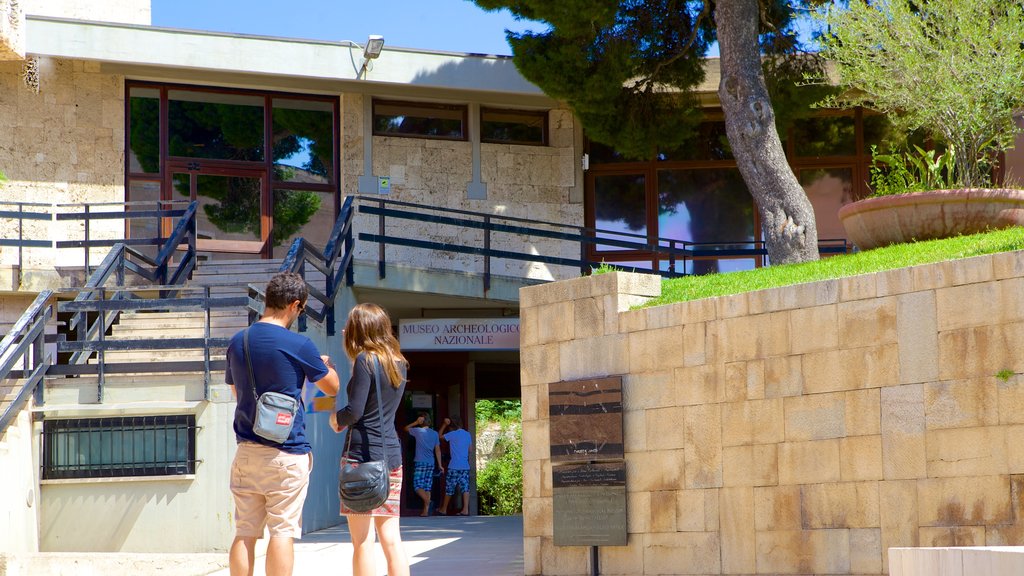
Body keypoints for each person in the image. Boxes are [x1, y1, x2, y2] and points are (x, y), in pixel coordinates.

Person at [225, 272, 340, 576]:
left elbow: (237, 393)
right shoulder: (300, 344)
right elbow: (332, 388)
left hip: (246, 452)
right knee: (282, 531)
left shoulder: (239, 341)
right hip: (287, 452)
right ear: (295, 305)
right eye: (300, 310)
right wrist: (323, 365)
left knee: (245, 532)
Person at [329, 303, 410, 576]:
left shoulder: (365, 360)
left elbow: (355, 412)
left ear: (359, 329)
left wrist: (335, 419)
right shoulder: (399, 363)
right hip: (391, 458)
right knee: (391, 539)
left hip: (361, 459)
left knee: (362, 541)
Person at [403, 412, 443, 516]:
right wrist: (440, 465)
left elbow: (406, 428)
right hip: (431, 462)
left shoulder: (418, 431)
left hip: (420, 461)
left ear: (421, 420)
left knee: (417, 486)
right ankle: (425, 511)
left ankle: (428, 502)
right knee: (426, 487)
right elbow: (438, 450)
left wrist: (416, 422)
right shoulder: (434, 433)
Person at [438, 416, 473, 516]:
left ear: (452, 426)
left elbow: (439, 436)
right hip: (465, 466)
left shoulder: (452, 434)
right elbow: (470, 450)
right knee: (465, 488)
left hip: (454, 466)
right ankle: (465, 509)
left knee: (449, 488)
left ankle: (444, 509)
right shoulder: (467, 434)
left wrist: (444, 424)